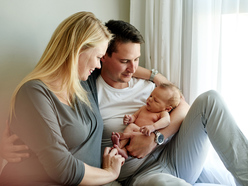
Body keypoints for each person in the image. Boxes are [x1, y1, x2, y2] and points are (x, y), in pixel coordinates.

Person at [1, 19, 248, 186]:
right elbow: (39, 105)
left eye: (137, 60)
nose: (133, 68)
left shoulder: (151, 85)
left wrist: (155, 138)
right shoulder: (86, 84)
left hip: (174, 151)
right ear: (105, 56)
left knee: (210, 99)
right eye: (124, 61)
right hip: (143, 173)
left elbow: (183, 106)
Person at [0, 12, 125, 185]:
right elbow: (63, 169)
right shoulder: (33, 93)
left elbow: (121, 65)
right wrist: (110, 174)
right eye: (97, 57)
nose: (98, 65)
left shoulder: (84, 81)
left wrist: (157, 78)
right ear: (78, 49)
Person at [111, 83, 181, 159]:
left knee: (132, 127)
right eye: (151, 96)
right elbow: (135, 116)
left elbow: (166, 121)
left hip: (145, 135)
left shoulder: (162, 113)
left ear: (167, 109)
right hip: (135, 132)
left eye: (155, 100)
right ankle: (119, 147)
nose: (150, 99)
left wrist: (153, 127)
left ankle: (121, 142)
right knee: (131, 126)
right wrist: (130, 118)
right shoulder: (144, 108)